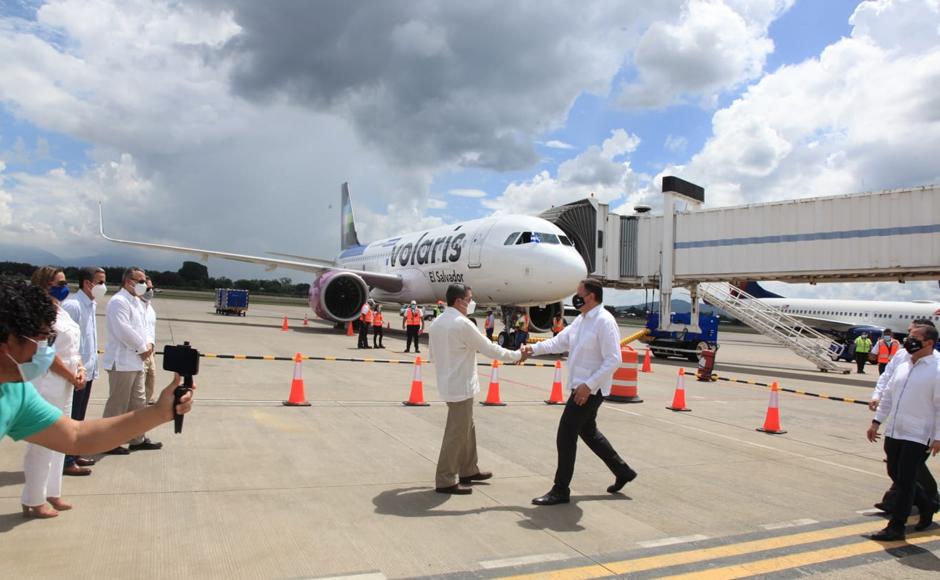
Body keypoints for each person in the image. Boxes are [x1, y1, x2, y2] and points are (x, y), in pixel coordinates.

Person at [0, 275, 193, 519]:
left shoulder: (14, 392)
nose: (46, 350)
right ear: (7, 343)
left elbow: (76, 437)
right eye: (41, 341)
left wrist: (161, 412)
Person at [521, 279, 636, 506]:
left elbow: (614, 359)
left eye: (579, 293)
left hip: (590, 390)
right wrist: (531, 349)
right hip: (581, 386)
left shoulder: (604, 321)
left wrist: (589, 386)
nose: (576, 297)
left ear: (591, 296)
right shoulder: (581, 321)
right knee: (589, 432)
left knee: (566, 434)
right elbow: (557, 343)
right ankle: (623, 471)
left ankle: (560, 489)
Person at [428, 284, 526, 494]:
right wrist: (517, 355)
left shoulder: (437, 323)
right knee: (456, 433)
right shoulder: (462, 324)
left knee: (467, 428)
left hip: (448, 383)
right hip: (461, 386)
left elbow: (432, 355)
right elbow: (490, 349)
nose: (472, 302)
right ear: (459, 301)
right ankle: (445, 479)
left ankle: (468, 469)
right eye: (469, 298)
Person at [866, 324, 940, 541]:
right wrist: (876, 422)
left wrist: (938, 437)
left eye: (914, 337)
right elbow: (888, 395)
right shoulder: (904, 363)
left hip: (918, 433)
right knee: (896, 475)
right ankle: (927, 506)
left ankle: (896, 527)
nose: (909, 340)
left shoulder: (936, 369)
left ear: (928, 342)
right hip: (895, 430)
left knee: (906, 480)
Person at [21, 267, 85, 517]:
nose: (65, 285)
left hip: (66, 385)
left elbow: (71, 348)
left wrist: (79, 367)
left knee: (61, 440)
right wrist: (71, 374)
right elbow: (45, 354)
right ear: (45, 285)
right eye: (60, 282)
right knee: (42, 444)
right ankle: (33, 499)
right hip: (47, 384)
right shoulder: (40, 315)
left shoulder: (61, 311)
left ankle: (52, 492)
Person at [102, 267, 161, 454]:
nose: (145, 285)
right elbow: (123, 330)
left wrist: (149, 344)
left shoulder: (136, 301)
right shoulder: (118, 301)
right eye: (141, 281)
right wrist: (143, 348)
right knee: (118, 404)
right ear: (129, 282)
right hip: (122, 362)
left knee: (139, 402)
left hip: (136, 361)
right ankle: (108, 441)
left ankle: (137, 438)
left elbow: (146, 327)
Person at [60, 266, 106, 475]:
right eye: (101, 282)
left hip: (86, 371)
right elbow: (66, 342)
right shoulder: (74, 306)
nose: (104, 286)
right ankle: (67, 460)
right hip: (75, 372)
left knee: (79, 418)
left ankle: (74, 454)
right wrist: (75, 368)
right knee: (72, 418)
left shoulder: (90, 304)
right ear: (88, 283)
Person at [140, 276, 158, 404]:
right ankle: (139, 404)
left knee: (151, 377)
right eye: (147, 288)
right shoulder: (136, 306)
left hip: (151, 350)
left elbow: (150, 328)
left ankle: (147, 401)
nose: (150, 291)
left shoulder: (150, 308)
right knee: (141, 380)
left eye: (151, 288)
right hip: (141, 350)